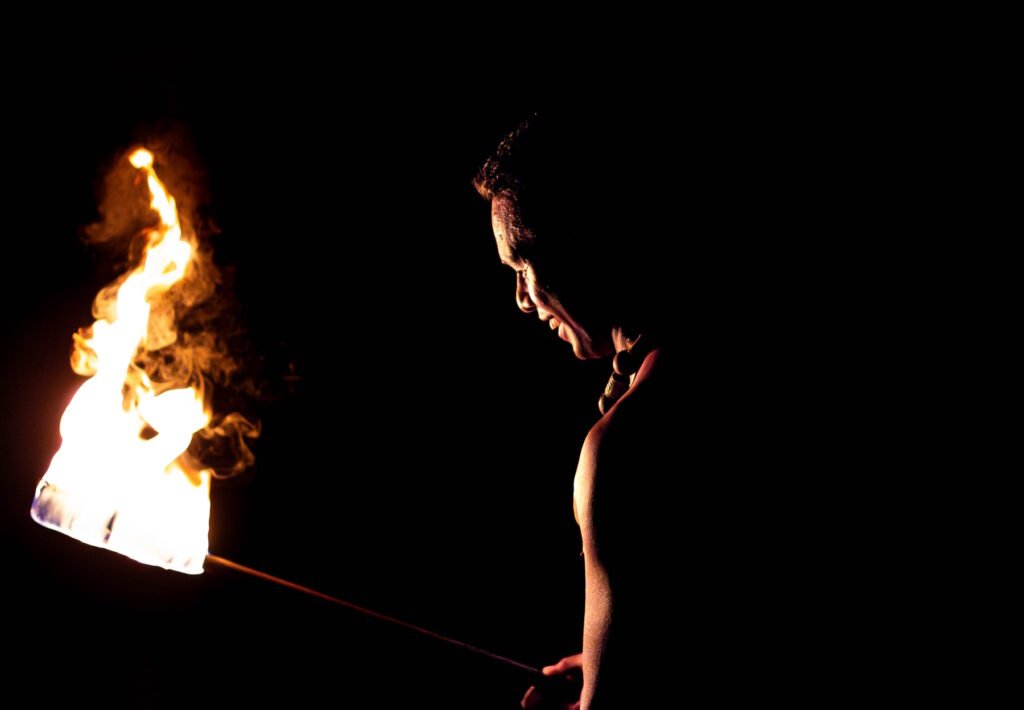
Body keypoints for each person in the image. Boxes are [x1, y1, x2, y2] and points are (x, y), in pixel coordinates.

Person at [472, 109, 1012, 707]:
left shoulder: (620, 450)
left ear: (582, 240)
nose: (523, 299)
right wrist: (616, 660)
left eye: (524, 263)